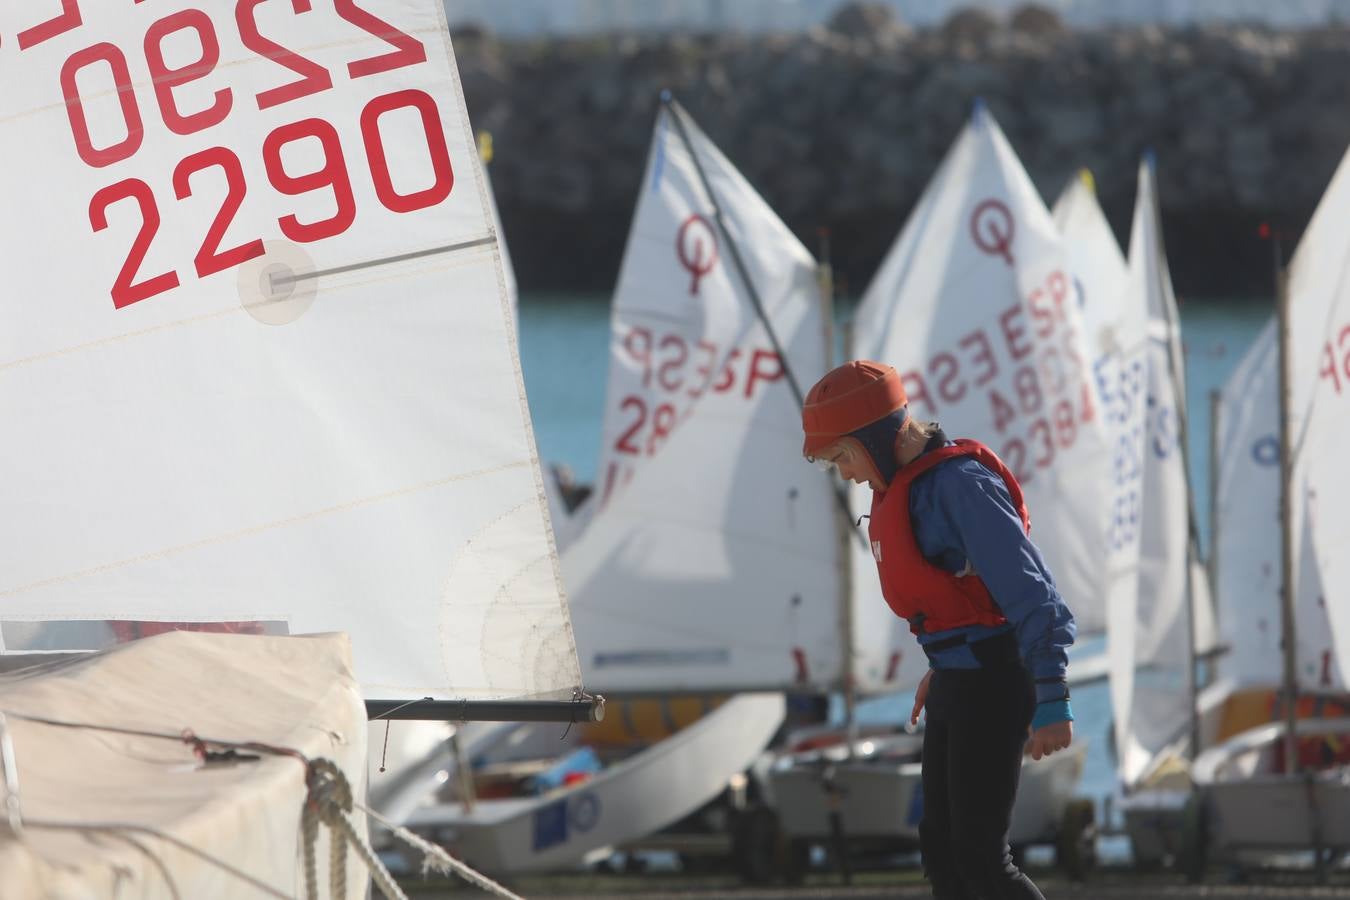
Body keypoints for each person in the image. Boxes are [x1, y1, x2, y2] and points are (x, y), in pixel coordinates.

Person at [801, 359, 1074, 900]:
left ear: (876, 439)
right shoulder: (907, 489)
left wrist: (1053, 697)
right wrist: (939, 665)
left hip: (995, 681)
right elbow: (958, 602)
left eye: (843, 457)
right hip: (957, 681)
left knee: (981, 859)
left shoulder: (959, 486)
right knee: (943, 853)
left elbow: (1035, 598)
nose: (848, 474)